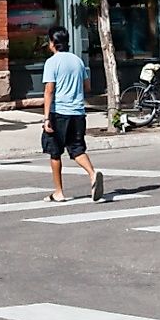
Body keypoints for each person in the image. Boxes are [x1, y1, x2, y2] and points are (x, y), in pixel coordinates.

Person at [41, 28, 104, 203]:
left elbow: (49, 90)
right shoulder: (78, 61)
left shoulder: (52, 62)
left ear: (53, 43)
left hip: (59, 113)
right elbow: (88, 87)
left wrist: (46, 118)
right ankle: (92, 174)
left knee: (55, 152)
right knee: (77, 148)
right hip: (78, 113)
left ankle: (58, 192)